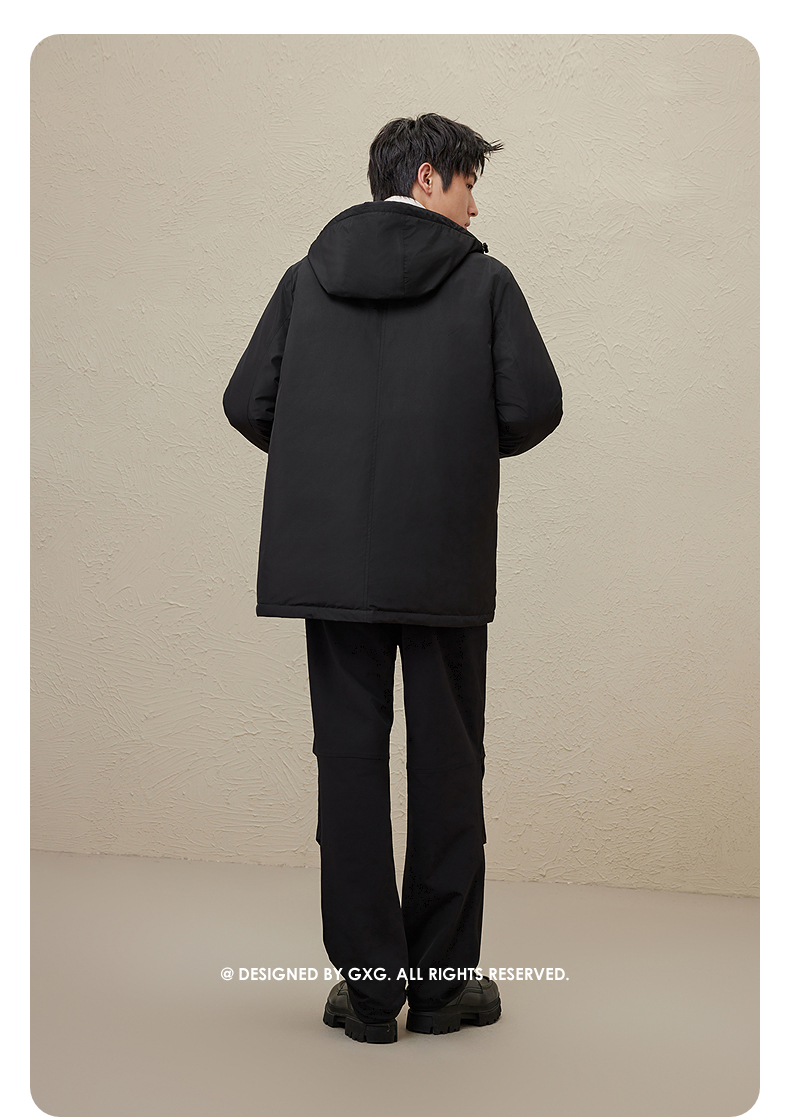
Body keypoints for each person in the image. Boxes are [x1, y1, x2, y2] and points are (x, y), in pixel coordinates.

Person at [223, 113, 563, 1044]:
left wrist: (325, 463)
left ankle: (371, 994)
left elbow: (247, 400)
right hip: (443, 557)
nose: (475, 205)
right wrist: (452, 450)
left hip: (329, 562)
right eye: (467, 184)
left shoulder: (306, 280)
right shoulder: (486, 283)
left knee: (348, 764)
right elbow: (534, 405)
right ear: (425, 178)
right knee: (449, 763)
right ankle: (444, 988)